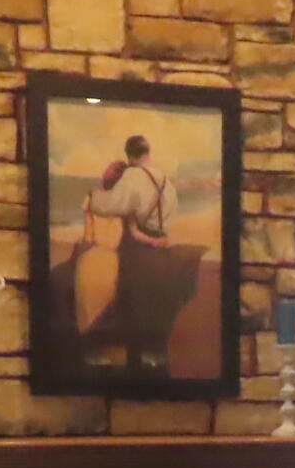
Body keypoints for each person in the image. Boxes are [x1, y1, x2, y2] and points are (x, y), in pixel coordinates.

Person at [70, 133, 204, 376]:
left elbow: (113, 205)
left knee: (129, 292)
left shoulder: (133, 176)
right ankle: (154, 352)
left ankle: (125, 349)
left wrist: (93, 197)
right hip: (160, 239)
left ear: (129, 155)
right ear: (147, 152)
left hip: (139, 244)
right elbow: (171, 212)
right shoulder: (164, 179)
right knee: (156, 295)